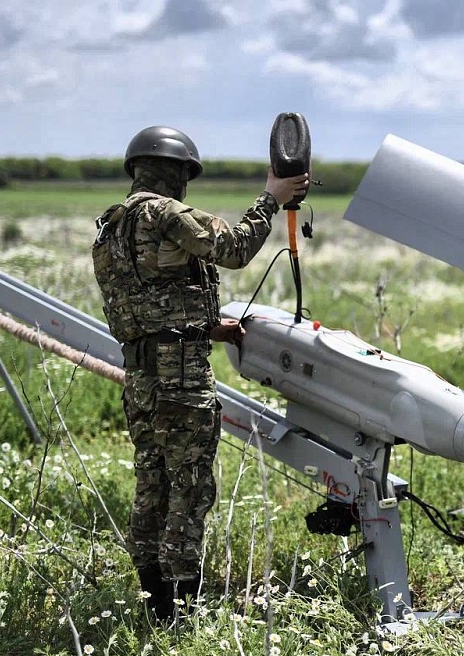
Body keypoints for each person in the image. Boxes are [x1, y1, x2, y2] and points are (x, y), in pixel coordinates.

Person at [91, 126, 308, 622]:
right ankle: (180, 613)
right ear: (181, 174)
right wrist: (271, 198)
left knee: (152, 484)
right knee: (189, 489)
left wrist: (211, 327)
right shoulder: (165, 212)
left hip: (141, 379)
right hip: (181, 379)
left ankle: (152, 600)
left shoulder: (111, 227)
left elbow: (147, 303)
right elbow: (232, 250)